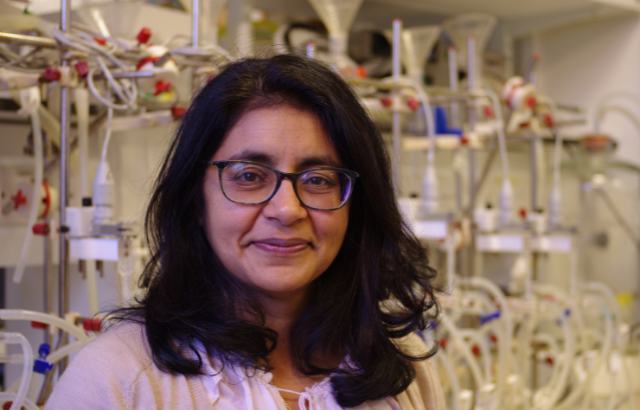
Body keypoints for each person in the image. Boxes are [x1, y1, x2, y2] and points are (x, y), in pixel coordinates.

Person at [46, 54, 444, 410]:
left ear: (356, 206)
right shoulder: (117, 379)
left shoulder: (397, 362)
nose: (287, 209)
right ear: (195, 201)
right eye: (249, 176)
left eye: (319, 179)